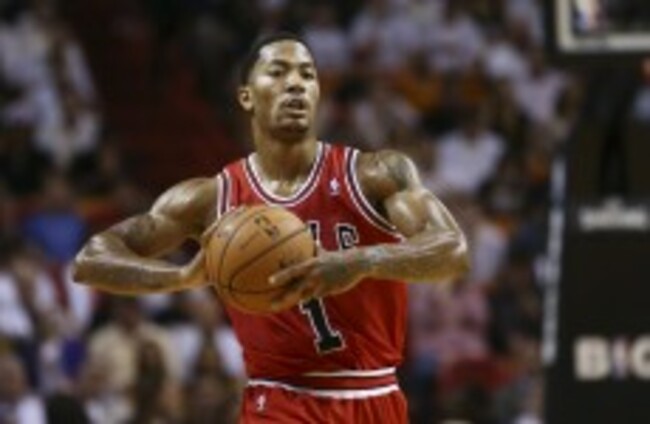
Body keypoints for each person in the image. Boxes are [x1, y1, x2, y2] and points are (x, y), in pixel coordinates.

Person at [73, 32, 469, 423]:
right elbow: (91, 259)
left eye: (307, 74)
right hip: (279, 400)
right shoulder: (213, 198)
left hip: (373, 397)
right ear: (246, 96)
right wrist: (178, 278)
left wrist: (363, 261)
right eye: (278, 72)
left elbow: (453, 250)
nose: (295, 84)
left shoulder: (373, 174)